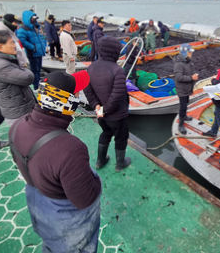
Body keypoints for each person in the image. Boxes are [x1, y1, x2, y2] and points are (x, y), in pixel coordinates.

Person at [9, 72, 101, 252]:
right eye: (75, 95)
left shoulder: (17, 126)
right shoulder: (71, 148)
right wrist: (96, 182)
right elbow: (84, 200)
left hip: (39, 205)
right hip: (67, 221)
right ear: (67, 102)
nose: (77, 97)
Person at [84, 36, 132, 171]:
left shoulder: (91, 68)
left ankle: (100, 161)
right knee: (121, 138)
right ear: (115, 52)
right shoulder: (117, 70)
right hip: (117, 116)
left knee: (105, 133)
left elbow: (87, 89)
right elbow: (117, 95)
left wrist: (97, 106)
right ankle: (120, 164)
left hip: (101, 115)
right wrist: (106, 109)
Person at [0, 30, 35, 125]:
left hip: (19, 107)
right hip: (19, 112)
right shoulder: (1, 66)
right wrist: (23, 66)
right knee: (25, 137)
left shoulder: (0, 60)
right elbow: (28, 77)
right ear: (0, 46)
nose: (15, 46)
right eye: (12, 43)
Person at [17, 10, 46, 90]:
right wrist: (32, 47)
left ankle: (37, 85)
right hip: (32, 53)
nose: (35, 20)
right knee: (34, 70)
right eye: (33, 18)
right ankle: (35, 87)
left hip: (39, 52)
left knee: (38, 70)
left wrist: (43, 45)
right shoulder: (23, 29)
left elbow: (40, 37)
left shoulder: (34, 27)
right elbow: (22, 40)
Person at [174, 43, 199, 134]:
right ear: (185, 52)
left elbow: (189, 72)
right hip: (182, 89)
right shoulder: (179, 64)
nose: (191, 54)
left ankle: (184, 116)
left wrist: (193, 76)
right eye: (189, 52)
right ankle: (181, 124)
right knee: (183, 106)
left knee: (186, 103)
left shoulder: (188, 61)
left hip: (187, 88)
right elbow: (178, 77)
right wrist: (191, 78)